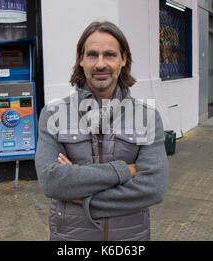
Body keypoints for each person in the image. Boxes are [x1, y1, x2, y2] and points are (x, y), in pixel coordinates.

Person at [35, 21, 169, 241]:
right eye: (92, 55)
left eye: (109, 54)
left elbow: (153, 188)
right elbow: (51, 181)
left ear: (123, 59)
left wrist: (81, 196)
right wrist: (123, 171)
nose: (100, 64)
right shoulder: (53, 115)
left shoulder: (147, 117)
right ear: (80, 59)